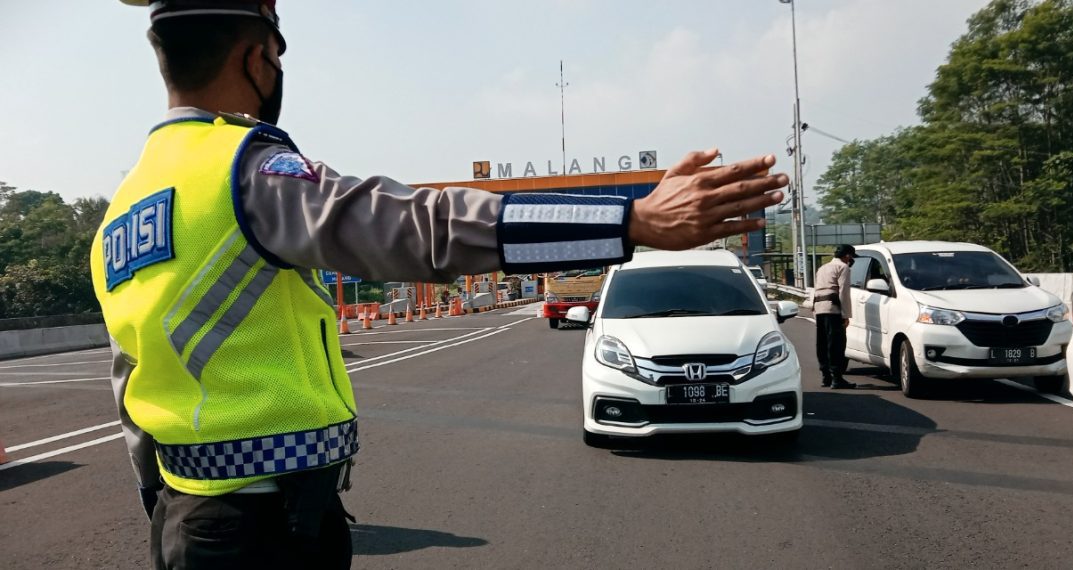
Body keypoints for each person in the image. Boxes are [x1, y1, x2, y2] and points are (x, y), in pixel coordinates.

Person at [93, 1, 789, 568]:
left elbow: (129, 376)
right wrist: (629, 220)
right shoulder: (244, 169)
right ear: (258, 58)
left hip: (188, 518)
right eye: (277, 56)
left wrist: (167, 507)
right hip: (262, 527)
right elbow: (422, 227)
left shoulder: (126, 207)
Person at [813, 244, 858, 389]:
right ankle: (837, 378)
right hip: (833, 309)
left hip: (819, 307)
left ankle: (825, 376)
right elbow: (844, 292)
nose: (851, 260)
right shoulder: (843, 267)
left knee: (822, 343)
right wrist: (846, 315)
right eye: (851, 257)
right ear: (847, 256)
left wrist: (814, 310)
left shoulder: (822, 268)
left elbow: (816, 289)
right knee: (836, 344)